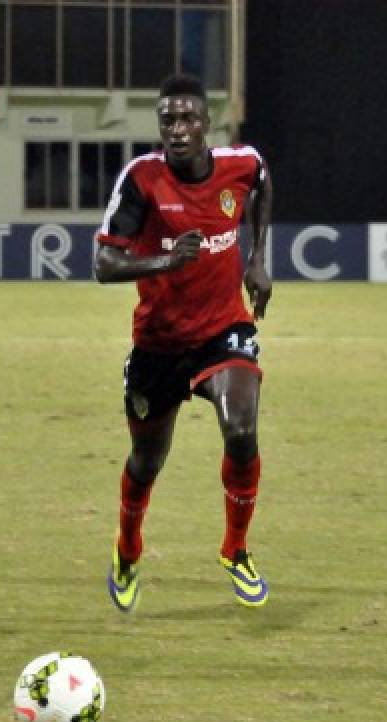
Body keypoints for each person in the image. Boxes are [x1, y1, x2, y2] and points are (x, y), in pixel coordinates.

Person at [94, 73, 273, 612]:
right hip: (159, 344)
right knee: (147, 462)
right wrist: (165, 261)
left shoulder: (241, 165)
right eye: (167, 119)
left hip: (223, 331)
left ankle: (235, 549)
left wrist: (258, 260)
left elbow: (263, 183)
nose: (177, 128)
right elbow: (103, 264)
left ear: (206, 124)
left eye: (187, 118)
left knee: (240, 428)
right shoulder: (142, 180)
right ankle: (127, 552)